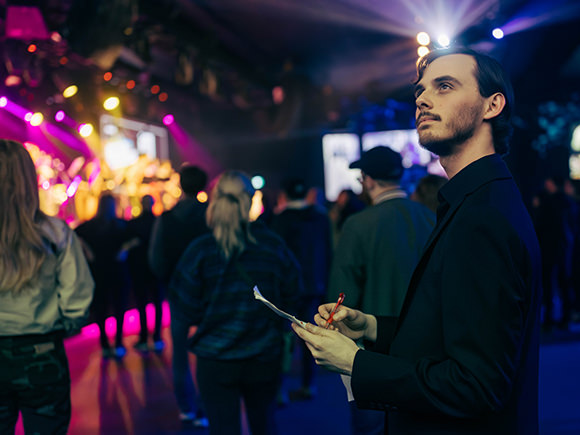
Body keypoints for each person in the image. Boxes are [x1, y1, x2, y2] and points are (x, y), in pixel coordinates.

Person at [293, 47, 542, 434]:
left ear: (492, 105)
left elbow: (477, 385)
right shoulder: (474, 200)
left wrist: (357, 364)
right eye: (420, 92)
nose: (423, 99)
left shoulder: (483, 215)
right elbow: (452, 334)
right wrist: (372, 326)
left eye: (444, 86)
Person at [169, 170, 302, 435]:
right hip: (264, 355)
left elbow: (184, 308)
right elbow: (292, 297)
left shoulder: (200, 251)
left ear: (215, 201)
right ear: (250, 200)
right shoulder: (272, 246)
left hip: (215, 359)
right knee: (264, 426)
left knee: (222, 429)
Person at [328, 146, 435, 434]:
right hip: (426, 350)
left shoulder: (358, 225)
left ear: (369, 179)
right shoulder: (431, 218)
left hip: (373, 356)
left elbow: (341, 296)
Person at [0, 139, 94, 434]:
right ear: (29, 179)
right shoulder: (55, 232)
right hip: (42, 355)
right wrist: (60, 326)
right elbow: (77, 301)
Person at [148, 164, 210, 425]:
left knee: (180, 353)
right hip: (209, 291)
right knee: (209, 350)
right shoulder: (211, 216)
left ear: (180, 185)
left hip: (178, 292)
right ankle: (207, 409)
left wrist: (169, 280)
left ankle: (186, 407)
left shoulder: (168, 217)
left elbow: (156, 258)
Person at [270, 177, 333, 401]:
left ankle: (280, 388)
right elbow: (328, 252)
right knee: (310, 336)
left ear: (285, 195)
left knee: (284, 339)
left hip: (287, 289)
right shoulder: (320, 218)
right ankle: (309, 384)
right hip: (314, 285)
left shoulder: (279, 220)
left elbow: (276, 257)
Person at [76, 194, 130, 358]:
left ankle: (105, 344)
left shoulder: (91, 225)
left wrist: (88, 251)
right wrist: (124, 249)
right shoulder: (120, 224)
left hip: (98, 271)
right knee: (119, 308)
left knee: (101, 308)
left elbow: (74, 234)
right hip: (117, 271)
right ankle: (119, 343)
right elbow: (136, 238)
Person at [533, 176, 576, 331]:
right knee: (563, 283)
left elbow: (543, 226)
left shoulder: (549, 203)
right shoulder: (567, 203)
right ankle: (564, 318)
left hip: (552, 247)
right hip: (564, 247)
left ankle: (552, 319)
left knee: (550, 283)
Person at [126, 195, 164, 351]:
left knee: (142, 303)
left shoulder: (134, 224)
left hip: (139, 269)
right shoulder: (159, 222)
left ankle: (143, 337)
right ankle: (157, 337)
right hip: (156, 268)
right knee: (157, 302)